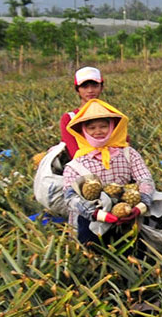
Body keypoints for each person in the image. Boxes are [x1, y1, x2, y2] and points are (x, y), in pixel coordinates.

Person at [61, 99, 155, 248]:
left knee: (134, 254)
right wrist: (97, 214)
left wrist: (142, 205)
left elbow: (145, 179)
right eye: (91, 128)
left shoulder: (128, 154)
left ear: (112, 127)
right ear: (83, 131)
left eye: (103, 126)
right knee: (94, 257)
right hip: (91, 221)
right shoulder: (76, 164)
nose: (98, 131)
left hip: (128, 214)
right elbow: (69, 196)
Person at [59, 66, 105, 158]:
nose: (90, 90)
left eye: (94, 86)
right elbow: (74, 152)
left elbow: (122, 143)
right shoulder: (69, 119)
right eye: (84, 86)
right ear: (77, 90)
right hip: (80, 168)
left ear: (101, 87)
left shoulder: (112, 115)